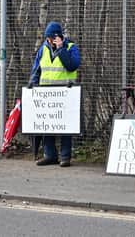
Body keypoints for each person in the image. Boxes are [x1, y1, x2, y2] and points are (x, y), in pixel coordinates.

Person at [29, 21, 81, 167]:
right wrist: (32, 83)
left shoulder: (71, 47)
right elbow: (37, 69)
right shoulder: (43, 49)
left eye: (51, 38)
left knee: (65, 126)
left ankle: (65, 156)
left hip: (65, 94)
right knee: (47, 125)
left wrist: (61, 50)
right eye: (48, 38)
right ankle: (49, 155)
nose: (48, 40)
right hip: (46, 95)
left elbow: (72, 66)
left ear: (58, 37)